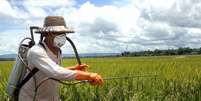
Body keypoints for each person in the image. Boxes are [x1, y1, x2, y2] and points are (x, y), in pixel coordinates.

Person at [18, 16, 103, 101]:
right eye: (58, 33)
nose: (62, 36)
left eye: (63, 33)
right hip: (32, 98)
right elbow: (56, 72)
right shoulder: (36, 51)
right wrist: (89, 76)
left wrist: (73, 68)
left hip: (51, 97)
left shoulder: (58, 51)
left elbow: (51, 70)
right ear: (46, 34)